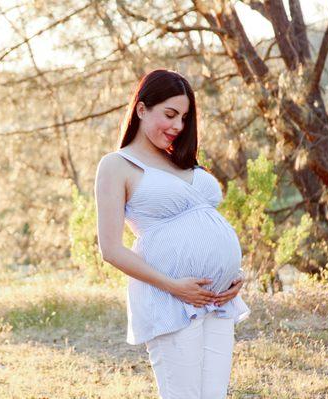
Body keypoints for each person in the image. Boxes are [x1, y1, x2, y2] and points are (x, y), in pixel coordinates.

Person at [94, 69, 251, 399]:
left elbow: (206, 224)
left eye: (183, 117)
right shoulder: (117, 165)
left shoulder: (181, 162)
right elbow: (110, 249)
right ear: (141, 109)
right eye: (169, 114)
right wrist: (175, 286)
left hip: (218, 301)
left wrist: (233, 276)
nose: (177, 126)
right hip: (170, 299)